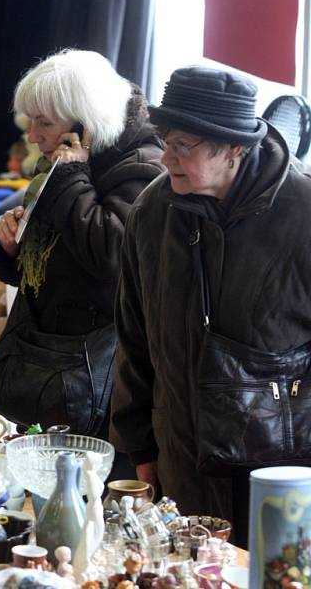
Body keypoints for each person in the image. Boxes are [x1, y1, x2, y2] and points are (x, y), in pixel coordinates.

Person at [110, 66, 311, 544]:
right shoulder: (154, 211)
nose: (166, 157)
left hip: (283, 470)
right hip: (184, 458)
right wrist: (140, 445)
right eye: (165, 140)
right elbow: (135, 337)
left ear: (235, 148)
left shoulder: (303, 214)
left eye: (184, 145)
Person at [0, 50, 163, 479]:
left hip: (101, 381)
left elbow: (111, 259)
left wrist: (71, 179)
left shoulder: (143, 167)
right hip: (53, 366)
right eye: (31, 121)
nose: (34, 135)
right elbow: (49, 270)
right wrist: (7, 246)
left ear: (84, 122)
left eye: (44, 122)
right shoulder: (67, 163)